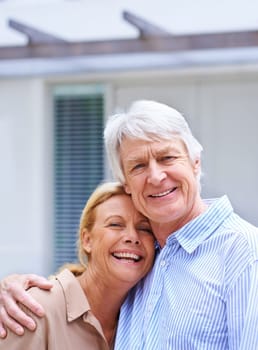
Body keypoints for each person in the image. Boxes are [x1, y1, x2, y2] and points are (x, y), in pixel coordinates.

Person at [0, 100, 258, 349]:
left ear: (195, 163)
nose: (156, 176)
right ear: (126, 184)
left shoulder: (244, 251)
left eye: (168, 157)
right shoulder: (143, 259)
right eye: (139, 166)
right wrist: (12, 287)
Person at [0, 181, 155, 349]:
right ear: (87, 240)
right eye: (115, 224)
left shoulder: (146, 320)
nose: (132, 236)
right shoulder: (33, 309)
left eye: (145, 228)